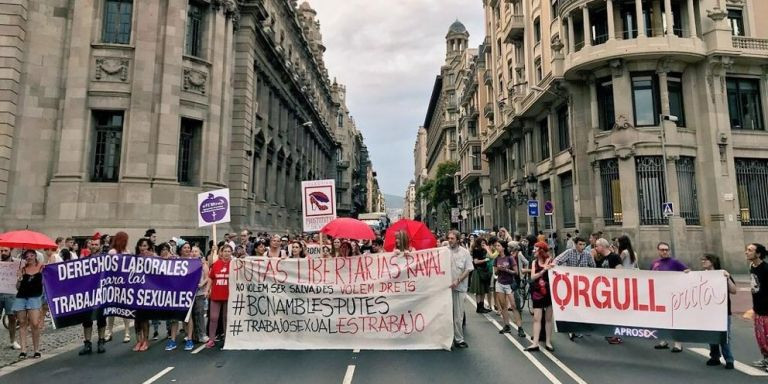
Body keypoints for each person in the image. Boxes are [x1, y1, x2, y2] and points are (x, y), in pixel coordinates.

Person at [651, 241, 689, 352]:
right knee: (661, 319)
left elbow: (687, 271)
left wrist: (686, 272)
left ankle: (678, 344)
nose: (664, 251)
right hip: (660, 295)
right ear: (658, 251)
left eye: (666, 249)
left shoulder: (675, 262)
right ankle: (663, 341)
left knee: (675, 320)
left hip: (673, 296)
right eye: (662, 249)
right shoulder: (654, 263)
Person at [701, 254, 736, 370]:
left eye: (705, 260)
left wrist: (728, 277)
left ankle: (729, 359)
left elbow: (733, 290)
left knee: (724, 336)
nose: (703, 262)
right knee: (711, 334)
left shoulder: (722, 273)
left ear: (712, 261)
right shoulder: (702, 275)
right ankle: (715, 356)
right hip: (709, 310)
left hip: (723, 310)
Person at [79, 237, 108, 355]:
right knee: (87, 320)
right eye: (93, 244)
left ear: (100, 246)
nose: (94, 246)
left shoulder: (105, 259)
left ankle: (101, 342)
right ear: (89, 246)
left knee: (101, 318)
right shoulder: (84, 260)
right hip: (88, 294)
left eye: (96, 244)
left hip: (101, 293)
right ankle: (87, 343)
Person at [14, 249, 44, 359]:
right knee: (22, 323)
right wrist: (19, 279)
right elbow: (17, 288)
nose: (29, 257)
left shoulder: (42, 267)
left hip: (34, 297)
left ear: (35, 256)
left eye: (32, 255)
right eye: (27, 256)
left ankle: (36, 349)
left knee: (35, 323)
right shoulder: (22, 269)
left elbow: (46, 281)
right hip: (21, 297)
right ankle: (23, 350)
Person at [525, 242, 554, 352]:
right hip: (537, 292)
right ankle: (535, 343)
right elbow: (532, 277)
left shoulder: (550, 261)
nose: (533, 251)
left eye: (535, 249)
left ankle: (548, 342)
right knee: (537, 318)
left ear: (541, 250)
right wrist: (544, 270)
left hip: (549, 292)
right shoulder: (534, 262)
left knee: (548, 319)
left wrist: (550, 267)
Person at [448, 230, 473, 349]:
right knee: (446, 314)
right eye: (449, 238)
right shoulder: (444, 251)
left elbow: (468, 269)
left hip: (459, 288)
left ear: (458, 240)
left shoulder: (465, 253)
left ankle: (459, 339)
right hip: (446, 288)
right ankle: (447, 338)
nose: (449, 240)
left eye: (452, 238)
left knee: (458, 315)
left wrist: (457, 281)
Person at [595, 238, 623, 344]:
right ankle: (611, 332)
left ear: (602, 246)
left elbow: (620, 272)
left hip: (613, 289)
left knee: (615, 313)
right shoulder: (600, 259)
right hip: (604, 290)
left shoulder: (615, 257)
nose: (595, 248)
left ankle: (616, 336)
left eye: (597, 246)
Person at [106, 231, 133, 343]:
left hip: (124, 283)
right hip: (114, 283)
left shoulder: (128, 252)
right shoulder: (112, 252)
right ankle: (109, 332)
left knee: (124, 309)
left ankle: (126, 332)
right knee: (112, 309)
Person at [494, 240, 525, 337]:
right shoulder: (497, 259)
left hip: (509, 284)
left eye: (498, 245)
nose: (497, 247)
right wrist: (499, 269)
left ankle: (520, 328)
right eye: (496, 246)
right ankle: (506, 325)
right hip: (500, 283)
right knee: (503, 306)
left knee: (514, 305)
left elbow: (516, 272)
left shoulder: (510, 258)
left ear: (503, 247)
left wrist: (506, 269)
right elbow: (495, 273)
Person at [207, 244, 232, 348]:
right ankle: (211, 339)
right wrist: (207, 289)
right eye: (224, 251)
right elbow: (211, 278)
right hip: (216, 294)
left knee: (226, 318)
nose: (226, 253)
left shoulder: (234, 264)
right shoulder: (216, 264)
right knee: (213, 317)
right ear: (221, 253)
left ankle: (227, 339)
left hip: (229, 295)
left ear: (231, 253)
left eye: (229, 251)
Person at [747, 243, 768, 368]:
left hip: (766, 308)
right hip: (758, 307)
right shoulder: (752, 266)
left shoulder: (766, 269)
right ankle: (765, 358)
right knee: (760, 336)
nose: (747, 252)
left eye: (750, 250)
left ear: (758, 254)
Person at [132, 238, 154, 352]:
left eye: (145, 245)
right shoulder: (135, 258)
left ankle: (145, 340)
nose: (143, 248)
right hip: (136, 290)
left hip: (147, 291)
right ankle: (138, 340)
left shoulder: (153, 257)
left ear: (149, 246)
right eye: (141, 246)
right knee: (136, 318)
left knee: (144, 318)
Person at [0, 246, 20, 350]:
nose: (3, 252)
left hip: (11, 294)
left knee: (12, 317)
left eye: (5, 250)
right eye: (1, 251)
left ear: (10, 251)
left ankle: (13, 341)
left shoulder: (17, 263)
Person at [191, 246, 210, 344]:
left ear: (199, 253)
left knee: (199, 314)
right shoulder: (188, 264)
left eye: (196, 251)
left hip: (200, 293)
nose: (194, 253)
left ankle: (202, 334)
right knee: (192, 315)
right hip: (190, 293)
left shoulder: (203, 264)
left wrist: (203, 285)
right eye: (192, 251)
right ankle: (194, 335)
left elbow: (208, 277)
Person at [469, 237, 492, 313]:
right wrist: (484, 260)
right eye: (482, 243)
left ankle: (482, 307)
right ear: (478, 243)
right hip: (478, 271)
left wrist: (487, 248)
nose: (484, 244)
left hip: (485, 271)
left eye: (485, 243)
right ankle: (479, 307)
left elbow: (491, 256)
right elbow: (475, 261)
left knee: (484, 290)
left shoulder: (484, 250)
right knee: (479, 291)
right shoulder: (476, 250)